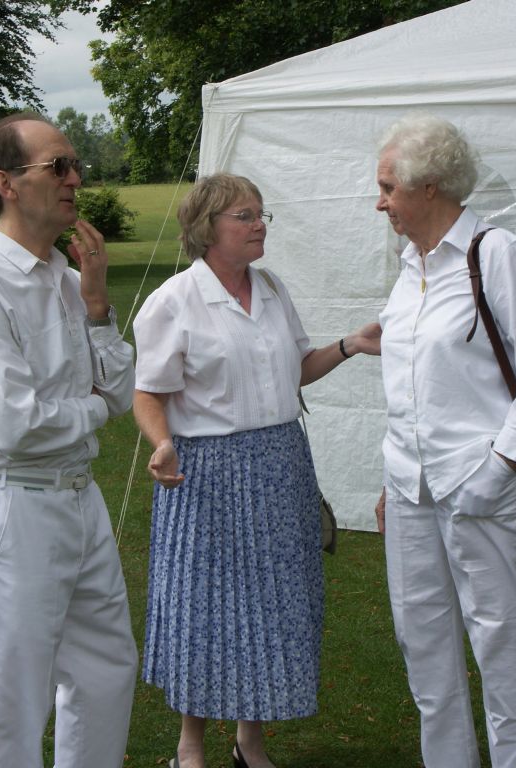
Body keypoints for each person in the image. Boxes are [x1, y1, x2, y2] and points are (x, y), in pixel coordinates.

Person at [132, 172, 380, 768]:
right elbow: (147, 392)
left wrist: (349, 344)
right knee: (204, 605)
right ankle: (190, 746)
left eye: (261, 213)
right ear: (206, 227)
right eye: (244, 215)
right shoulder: (174, 300)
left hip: (279, 464)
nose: (259, 224)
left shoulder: (270, 288)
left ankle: (250, 743)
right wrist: (162, 443)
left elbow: (296, 370)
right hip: (206, 473)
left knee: (270, 604)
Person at [0, 112, 138, 768]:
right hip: (13, 506)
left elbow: (122, 389)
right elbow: (16, 425)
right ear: (6, 183)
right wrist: (93, 408)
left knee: (106, 671)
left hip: (79, 498)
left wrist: (97, 308)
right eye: (59, 166)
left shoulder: (67, 281)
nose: (75, 179)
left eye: (76, 166)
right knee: (8, 696)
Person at [373, 113, 516, 768]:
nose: (380, 202)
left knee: (506, 649)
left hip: (482, 486)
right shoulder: (409, 265)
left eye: (388, 187)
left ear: (429, 187)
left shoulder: (494, 253)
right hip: (412, 489)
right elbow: (413, 386)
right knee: (424, 652)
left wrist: (499, 465)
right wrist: (395, 478)